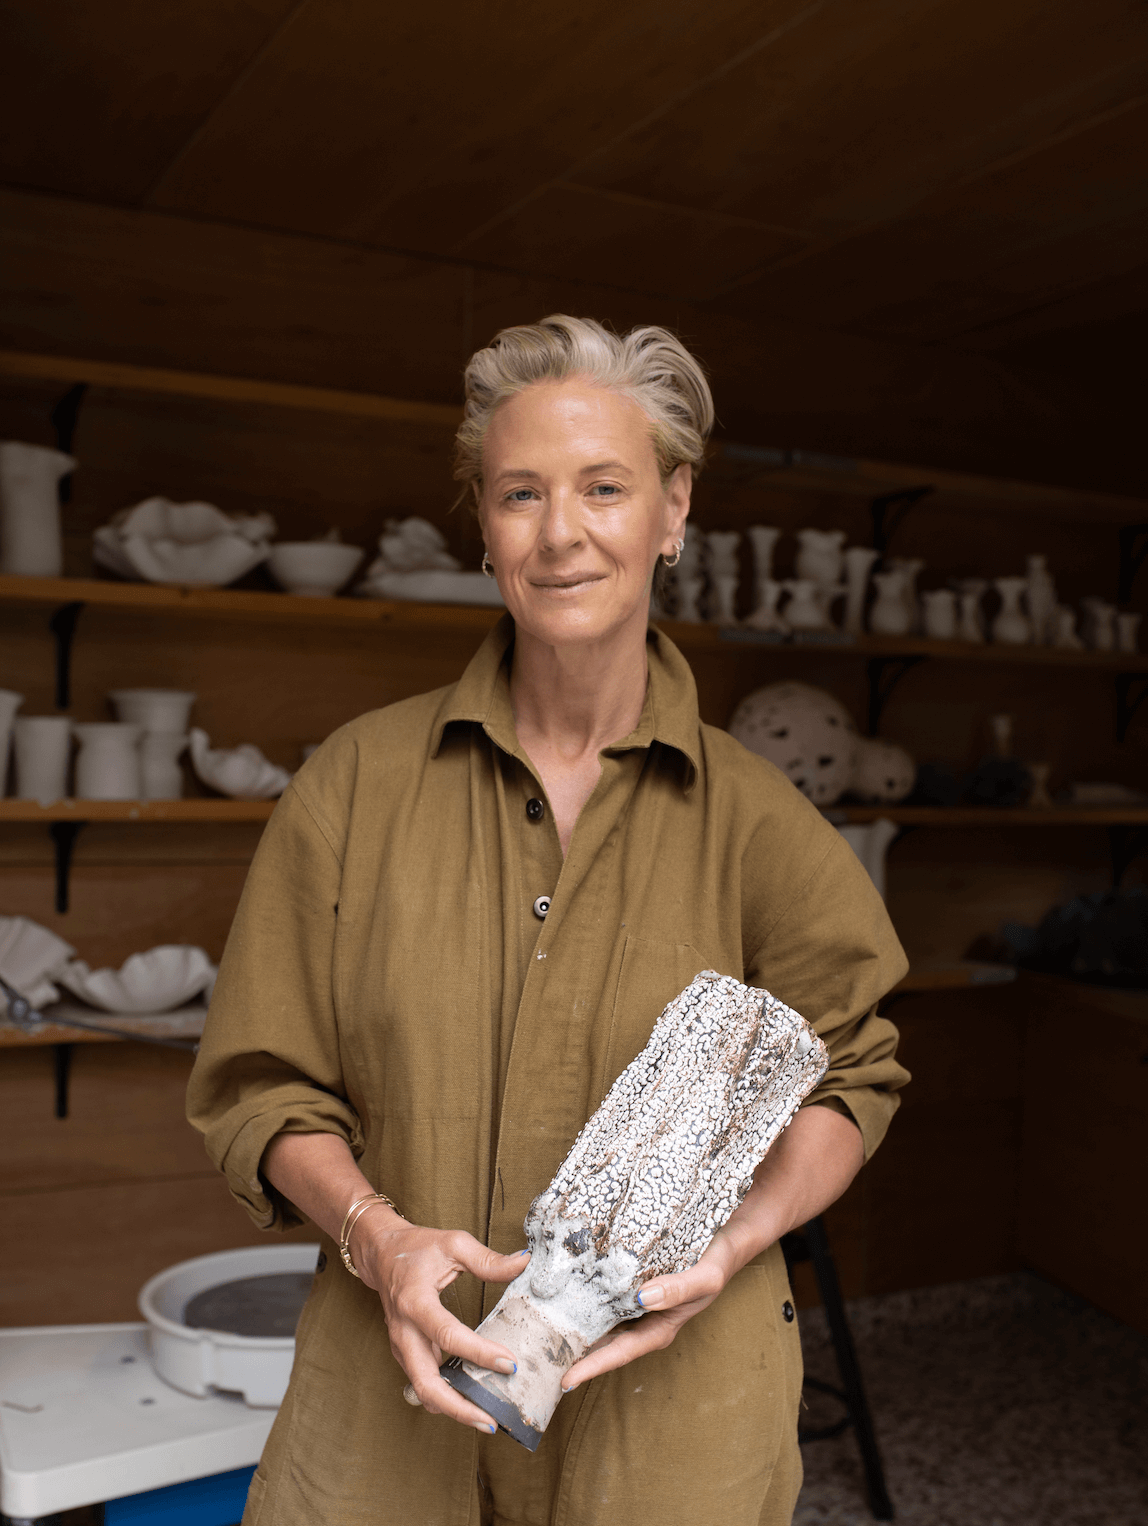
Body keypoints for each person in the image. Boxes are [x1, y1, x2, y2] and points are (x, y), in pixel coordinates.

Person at [187, 314, 909, 1526]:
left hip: (668, 1432)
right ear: (483, 526)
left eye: (603, 487)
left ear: (673, 509)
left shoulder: (761, 821)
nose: (560, 531)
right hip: (383, 1428)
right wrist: (374, 1235)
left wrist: (732, 1246)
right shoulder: (353, 785)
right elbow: (261, 1086)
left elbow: (853, 1072)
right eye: (519, 492)